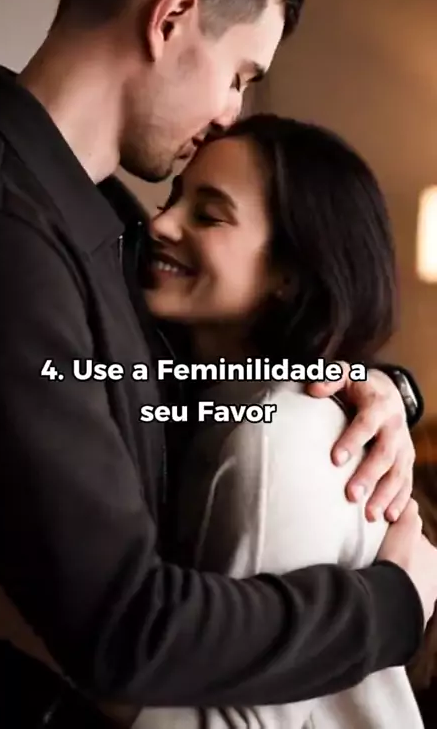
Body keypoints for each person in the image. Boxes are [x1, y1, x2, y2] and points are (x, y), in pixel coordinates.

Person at [0, 0, 434, 725]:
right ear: (171, 18)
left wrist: (385, 391)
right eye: (241, 74)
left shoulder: (101, 215)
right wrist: (392, 605)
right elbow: (125, 628)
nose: (229, 114)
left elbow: (204, 370)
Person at [136, 113, 426, 727]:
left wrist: (23, 624)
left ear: (288, 276)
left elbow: (244, 723)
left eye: (208, 215)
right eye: (173, 199)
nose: (159, 224)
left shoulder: (277, 438)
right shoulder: (216, 400)